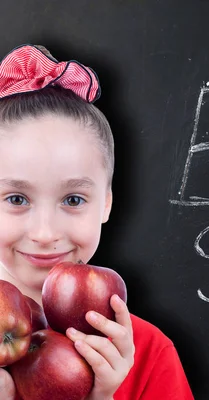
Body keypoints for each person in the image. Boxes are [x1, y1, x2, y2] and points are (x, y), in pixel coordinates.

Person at [0, 44, 194, 400]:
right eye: (16, 199)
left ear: (105, 205)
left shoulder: (149, 355)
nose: (45, 234)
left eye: (73, 199)